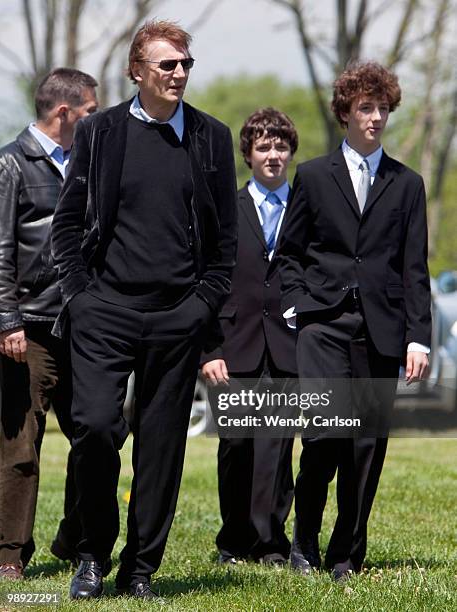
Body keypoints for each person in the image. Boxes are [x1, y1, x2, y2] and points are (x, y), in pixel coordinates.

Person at [51, 19, 237, 600]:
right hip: (104, 311)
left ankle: (140, 569)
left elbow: (225, 242)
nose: (179, 73)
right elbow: (68, 224)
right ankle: (91, 553)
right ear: (138, 71)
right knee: (96, 430)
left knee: (161, 448)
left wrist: (201, 305)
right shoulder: (100, 133)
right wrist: (80, 296)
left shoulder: (211, 137)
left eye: (185, 64)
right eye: (167, 65)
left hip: (177, 316)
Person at [276, 61, 431, 581]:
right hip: (323, 324)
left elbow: (415, 268)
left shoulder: (407, 184)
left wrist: (419, 338)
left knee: (366, 446)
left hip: (382, 330)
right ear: (345, 112)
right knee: (324, 433)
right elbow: (289, 253)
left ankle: (347, 554)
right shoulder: (314, 177)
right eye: (366, 108)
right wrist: (299, 303)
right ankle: (303, 541)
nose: (376, 117)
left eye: (383, 108)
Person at [0, 68, 98, 580]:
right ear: (65, 113)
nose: (94, 120)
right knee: (20, 444)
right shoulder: (11, 164)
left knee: (99, 433)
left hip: (83, 324)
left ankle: (75, 537)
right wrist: (7, 319)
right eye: (89, 113)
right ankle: (9, 556)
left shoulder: (86, 165)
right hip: (29, 329)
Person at [201, 108, 297, 566]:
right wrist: (210, 348)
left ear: (291, 152)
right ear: (249, 154)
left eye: (280, 146)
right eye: (264, 146)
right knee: (236, 445)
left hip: (288, 343)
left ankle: (271, 543)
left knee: (276, 449)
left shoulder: (308, 209)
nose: (273, 154)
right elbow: (208, 279)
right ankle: (233, 540)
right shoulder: (227, 209)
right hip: (234, 342)